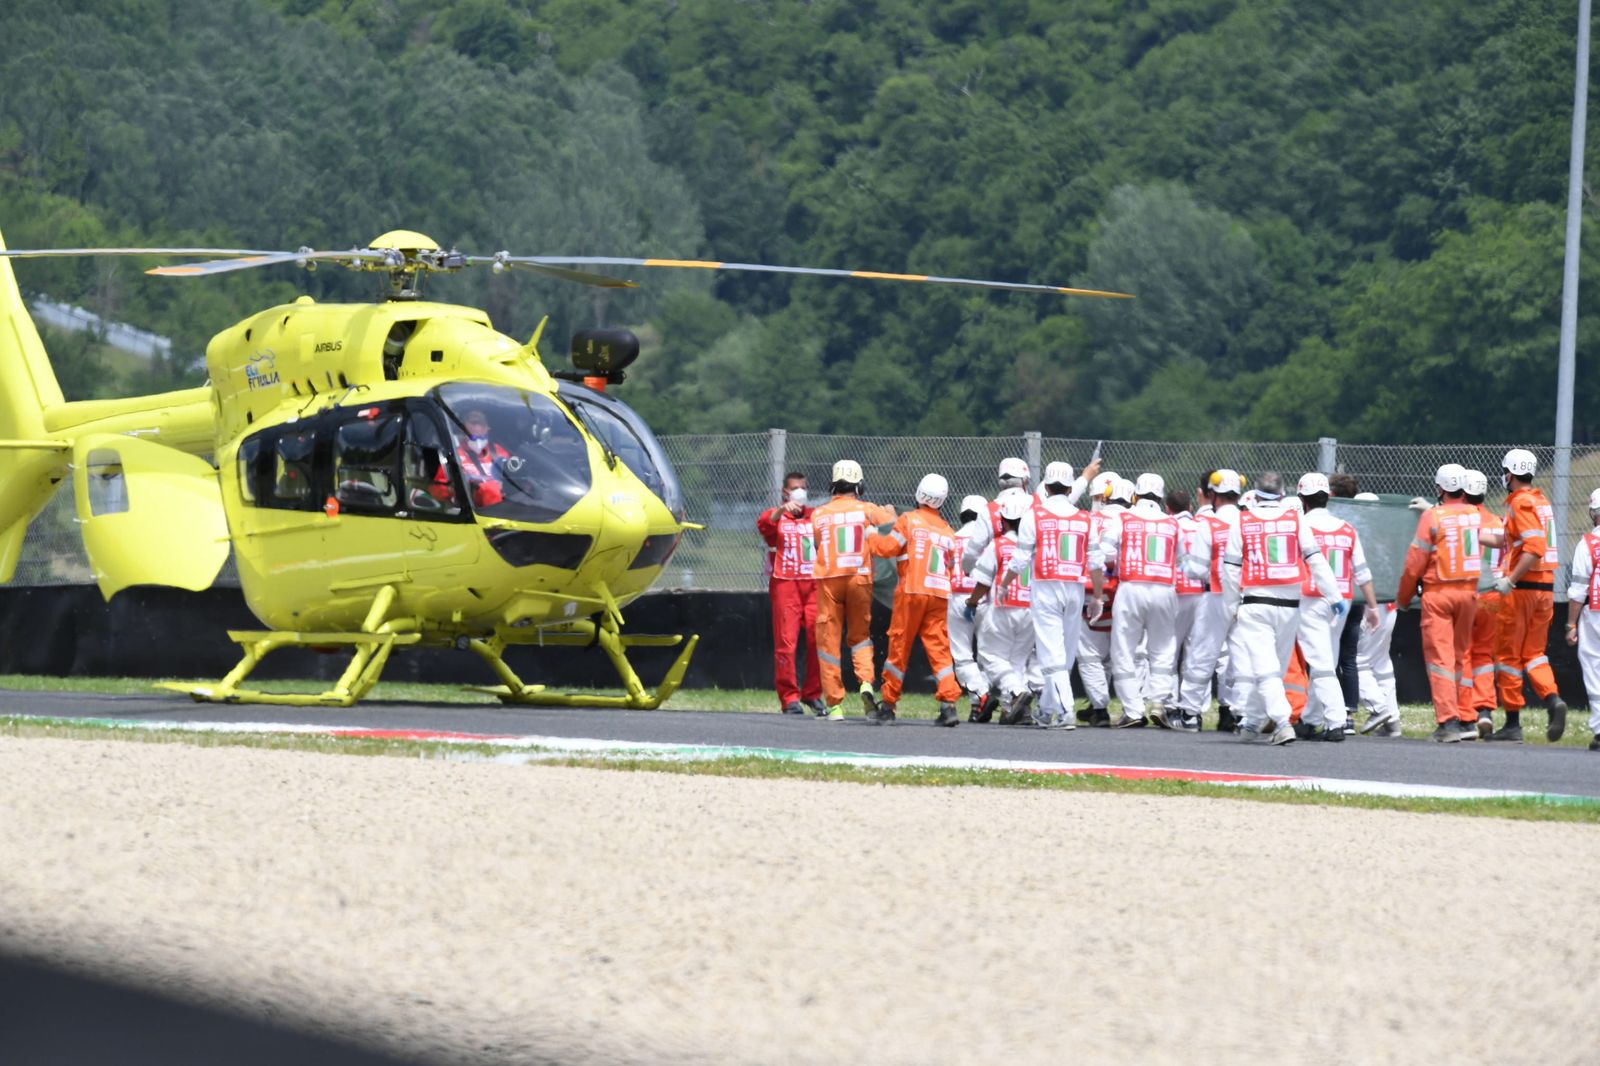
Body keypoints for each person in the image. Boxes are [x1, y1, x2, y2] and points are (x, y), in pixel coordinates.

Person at [1221, 471, 1340, 745]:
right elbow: (1315, 559)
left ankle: (1282, 721)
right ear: (1283, 494)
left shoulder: (1243, 520)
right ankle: (1252, 720)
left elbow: (1230, 568)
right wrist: (1333, 596)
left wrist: (1230, 605)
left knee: (1264, 666)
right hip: (1289, 605)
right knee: (1273, 666)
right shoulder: (1294, 518)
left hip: (1255, 601)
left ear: (1254, 494)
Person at [999, 461, 1094, 729]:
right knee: (1065, 654)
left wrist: (1005, 583)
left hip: (1045, 587)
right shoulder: (1084, 517)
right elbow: (1095, 561)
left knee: (1050, 654)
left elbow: (1020, 559)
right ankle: (1046, 709)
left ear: (1047, 487)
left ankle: (1066, 712)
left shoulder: (1035, 514)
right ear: (1070, 486)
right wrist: (1097, 596)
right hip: (1076, 588)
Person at [1396, 464, 1484, 742]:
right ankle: (1468, 717)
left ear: (1440, 488)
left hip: (1438, 594)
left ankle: (1448, 722)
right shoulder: (1474, 514)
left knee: (1440, 660)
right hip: (1469, 593)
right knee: (1461, 657)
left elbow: (1414, 564)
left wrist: (1403, 598)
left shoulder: (1432, 517)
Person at [1486, 448, 1569, 742]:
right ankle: (1552, 699)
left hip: (1523, 590)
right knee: (1534, 654)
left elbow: (1534, 548)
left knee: (1508, 655)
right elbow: (1508, 539)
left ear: (1509, 472)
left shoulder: (1520, 503)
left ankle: (1512, 723)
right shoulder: (1540, 502)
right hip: (1545, 589)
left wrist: (1510, 579)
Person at [867, 474, 962, 726]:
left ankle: (888, 705)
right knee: (939, 649)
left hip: (911, 591)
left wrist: (871, 533)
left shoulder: (908, 521)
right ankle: (948, 705)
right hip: (939, 593)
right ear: (942, 500)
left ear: (919, 494)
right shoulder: (949, 532)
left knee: (899, 647)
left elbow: (885, 548)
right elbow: (951, 566)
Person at [1294, 472, 1381, 741]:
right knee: (1327, 657)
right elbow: (1363, 572)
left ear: (1302, 499)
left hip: (1310, 597)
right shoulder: (1346, 528)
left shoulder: (1299, 526)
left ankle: (1335, 721)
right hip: (1341, 600)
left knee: (1319, 663)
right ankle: (1310, 719)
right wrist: (1373, 606)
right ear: (1327, 497)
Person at [1091, 472, 1179, 729]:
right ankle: (1159, 701)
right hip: (1165, 588)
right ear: (1162, 497)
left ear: (1135, 496)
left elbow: (1105, 553)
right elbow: (1186, 559)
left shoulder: (1123, 519)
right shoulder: (1173, 523)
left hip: (1131, 587)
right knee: (1162, 649)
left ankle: (1133, 710)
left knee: (1124, 650)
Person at [810, 460, 896, 720]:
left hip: (829, 579)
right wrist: (889, 512)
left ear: (833, 485)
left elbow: (817, 544)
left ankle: (835, 705)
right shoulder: (868, 510)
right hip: (860, 577)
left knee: (828, 641)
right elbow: (890, 523)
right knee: (860, 637)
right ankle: (867, 683)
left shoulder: (819, 514)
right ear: (859, 486)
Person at [1179, 469, 1245, 731]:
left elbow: (1195, 568)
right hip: (1244, 596)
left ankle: (1191, 714)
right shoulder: (1249, 521)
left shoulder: (1209, 524)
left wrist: (1188, 566)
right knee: (1241, 656)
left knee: (1203, 654)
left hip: (1215, 595)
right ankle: (1241, 714)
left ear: (1213, 496)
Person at [965, 490, 1037, 725]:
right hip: (1031, 610)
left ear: (1003, 521)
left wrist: (972, 602)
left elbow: (984, 580)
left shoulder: (998, 545)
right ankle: (1014, 710)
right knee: (1016, 661)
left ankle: (1016, 692)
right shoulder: (1035, 547)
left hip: (1003, 607)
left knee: (990, 656)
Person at [756, 471, 823, 716]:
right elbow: (765, 525)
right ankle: (789, 697)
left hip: (814, 584)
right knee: (786, 643)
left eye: (803, 487)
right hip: (786, 585)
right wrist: (782, 509)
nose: (800, 492)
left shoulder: (815, 516)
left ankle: (813, 693)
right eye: (795, 488)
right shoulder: (776, 516)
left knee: (818, 639)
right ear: (785, 492)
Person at [1463, 468, 1506, 737]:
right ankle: (1486, 709)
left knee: (1463, 652)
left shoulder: (1460, 519)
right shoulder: (1498, 521)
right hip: (1494, 596)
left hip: (1468, 592)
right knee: (1484, 655)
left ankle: (1465, 711)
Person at [949, 494, 994, 721]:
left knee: (963, 656)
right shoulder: (990, 539)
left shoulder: (952, 537)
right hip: (984, 598)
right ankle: (985, 703)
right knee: (988, 654)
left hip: (957, 598)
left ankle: (981, 695)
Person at [1563, 488, 1600, 752]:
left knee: (1594, 669)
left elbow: (1578, 589)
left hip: (1595, 614)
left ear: (1593, 513)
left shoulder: (1588, 543)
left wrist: (1571, 624)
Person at [1168, 487, 1206, 731]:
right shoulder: (1201, 525)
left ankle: (1171, 705)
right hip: (1202, 592)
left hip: (1176, 592)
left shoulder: (1168, 525)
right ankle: (1195, 709)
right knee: (1197, 653)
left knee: (1169, 650)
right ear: (1190, 507)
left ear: (1167, 508)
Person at [1328, 472, 1363, 734]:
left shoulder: (1331, 522)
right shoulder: (1363, 519)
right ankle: (1349, 712)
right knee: (1348, 655)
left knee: (1328, 654)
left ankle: (1333, 710)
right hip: (1355, 592)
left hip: (1332, 593)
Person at [456, 409, 513, 506]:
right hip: (472, 510)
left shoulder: (499, 452)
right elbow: (441, 491)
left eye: (480, 423)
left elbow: (514, 477)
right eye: (471, 422)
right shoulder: (455, 455)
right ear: (463, 427)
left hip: (503, 507)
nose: (476, 427)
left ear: (487, 428)